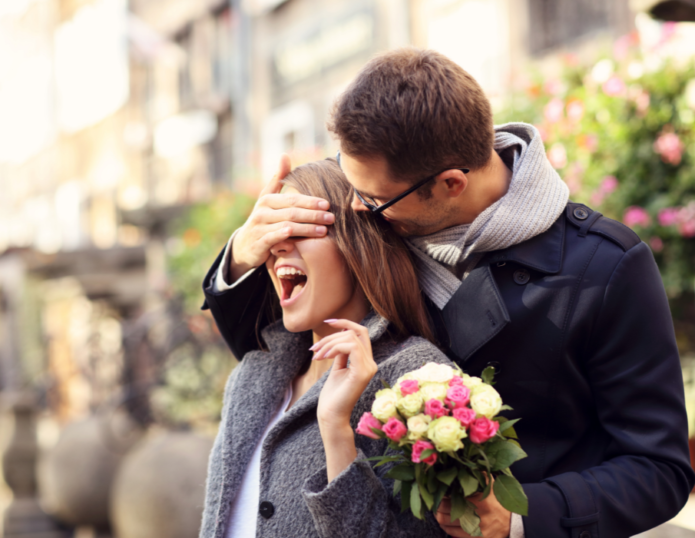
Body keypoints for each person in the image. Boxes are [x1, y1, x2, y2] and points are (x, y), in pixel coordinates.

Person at [203, 48, 695, 538]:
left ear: (450, 184)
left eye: (372, 201)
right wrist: (242, 255)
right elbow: (276, 353)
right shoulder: (387, 205)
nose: (354, 207)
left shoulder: (603, 267)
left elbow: (658, 468)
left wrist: (519, 517)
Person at [199, 159, 452, 538]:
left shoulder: (417, 378)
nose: (278, 243)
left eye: (300, 227)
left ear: (358, 246)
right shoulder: (252, 375)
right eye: (273, 228)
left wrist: (336, 430)